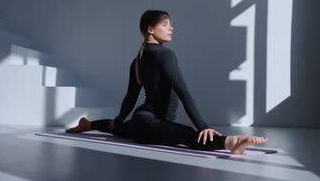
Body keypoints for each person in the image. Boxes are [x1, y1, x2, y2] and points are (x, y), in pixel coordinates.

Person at [66, 10, 268, 154]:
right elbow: (183, 90)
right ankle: (232, 142)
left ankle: (88, 124)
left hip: (144, 121)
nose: (171, 28)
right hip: (150, 122)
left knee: (124, 128)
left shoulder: (137, 60)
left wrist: (118, 120)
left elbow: (130, 97)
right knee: (188, 135)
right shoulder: (165, 55)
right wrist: (203, 126)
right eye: (165, 24)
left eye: (170, 24)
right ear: (150, 29)